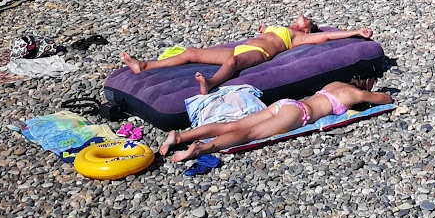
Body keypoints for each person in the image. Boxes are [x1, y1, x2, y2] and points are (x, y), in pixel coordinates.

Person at [159, 81, 394, 162]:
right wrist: (366, 95)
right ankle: (202, 147)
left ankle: (179, 136)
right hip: (299, 114)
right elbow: (385, 99)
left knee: (236, 125)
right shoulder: (352, 94)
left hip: (287, 103)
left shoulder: (335, 84)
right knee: (250, 133)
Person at [120, 10, 371, 83]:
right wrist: (264, 30)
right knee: (191, 53)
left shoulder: (299, 38)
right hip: (242, 47)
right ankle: (144, 66)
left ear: (307, 29)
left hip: (258, 54)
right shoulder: (281, 27)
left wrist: (356, 31)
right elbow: (266, 32)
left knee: (233, 63)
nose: (303, 15)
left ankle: (211, 83)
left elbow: (326, 38)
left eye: (307, 19)